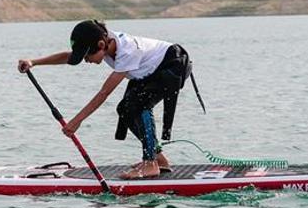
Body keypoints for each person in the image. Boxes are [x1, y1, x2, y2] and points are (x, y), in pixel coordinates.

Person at [17, 19, 201, 179]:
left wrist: (76, 121)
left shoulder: (127, 51)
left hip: (174, 65)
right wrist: (34, 62)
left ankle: (150, 163)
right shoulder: (104, 42)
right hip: (151, 71)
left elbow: (104, 93)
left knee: (140, 105)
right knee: (125, 110)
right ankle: (159, 159)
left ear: (101, 45)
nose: (86, 60)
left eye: (87, 55)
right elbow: (69, 57)